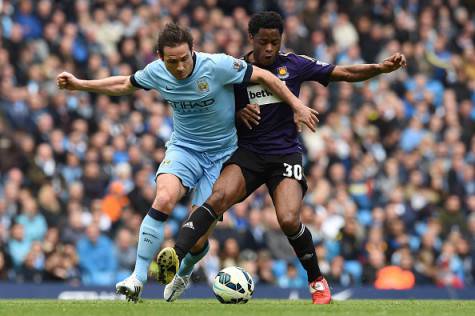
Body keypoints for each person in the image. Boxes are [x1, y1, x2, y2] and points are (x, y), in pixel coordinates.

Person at [56, 22, 318, 302]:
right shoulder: (156, 72)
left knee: (200, 238)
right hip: (184, 149)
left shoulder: (218, 65)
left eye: (184, 59)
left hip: (223, 155)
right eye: (172, 61)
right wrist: (80, 84)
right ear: (160, 57)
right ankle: (137, 278)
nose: (180, 67)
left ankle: (183, 274)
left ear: (193, 51)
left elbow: (267, 77)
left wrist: (297, 106)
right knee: (165, 198)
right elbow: (123, 83)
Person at [156, 11, 406, 304]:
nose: (270, 49)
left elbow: (344, 72)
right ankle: (175, 255)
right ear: (252, 39)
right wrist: (237, 114)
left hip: (285, 155)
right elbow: (212, 111)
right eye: (264, 42)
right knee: (218, 196)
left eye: (275, 42)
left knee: (288, 220)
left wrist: (379, 68)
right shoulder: (233, 70)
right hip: (248, 153)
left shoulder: (294, 65)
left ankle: (317, 281)